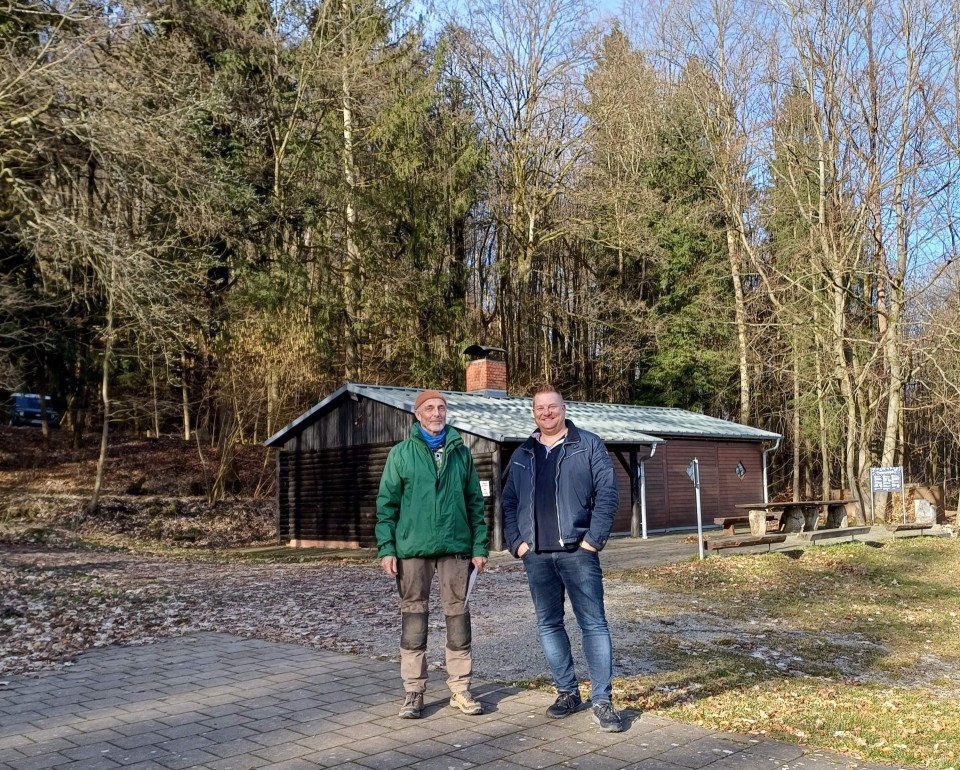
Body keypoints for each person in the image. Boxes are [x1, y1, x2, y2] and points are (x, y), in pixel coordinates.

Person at [501, 385, 624, 732]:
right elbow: (508, 502)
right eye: (540, 408)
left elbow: (608, 494)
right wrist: (518, 544)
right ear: (534, 413)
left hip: (578, 553)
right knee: (548, 624)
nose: (546, 413)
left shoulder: (588, 445)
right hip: (536, 555)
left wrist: (592, 542)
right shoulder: (523, 453)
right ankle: (568, 693)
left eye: (551, 407)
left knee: (594, 624)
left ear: (563, 408)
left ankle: (602, 701)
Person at [376, 389, 489, 719]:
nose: (437, 413)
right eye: (430, 408)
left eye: (442, 407)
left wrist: (479, 546)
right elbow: (387, 506)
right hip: (412, 550)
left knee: (458, 618)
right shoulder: (401, 454)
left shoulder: (461, 453)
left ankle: (460, 688)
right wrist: (387, 548)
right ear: (417, 415)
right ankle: (413, 691)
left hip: (456, 549)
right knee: (414, 618)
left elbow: (475, 505)